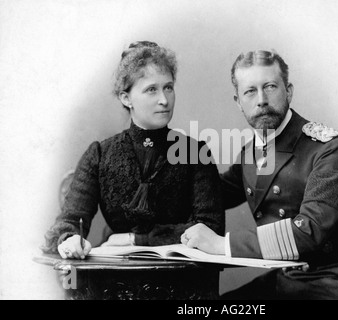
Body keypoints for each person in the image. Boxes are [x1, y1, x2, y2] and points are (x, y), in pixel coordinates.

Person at [181, 49, 338, 300]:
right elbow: (213, 194)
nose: (261, 99)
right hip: (288, 280)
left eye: (270, 86)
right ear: (238, 102)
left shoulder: (330, 149)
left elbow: (309, 232)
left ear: (288, 91)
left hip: (337, 283)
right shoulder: (251, 152)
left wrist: (220, 245)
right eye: (250, 91)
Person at [42, 41, 224, 262]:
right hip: (115, 274)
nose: (164, 100)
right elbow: (69, 221)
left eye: (168, 87)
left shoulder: (194, 152)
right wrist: (69, 239)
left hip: (182, 276)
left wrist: (136, 239)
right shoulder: (100, 154)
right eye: (151, 90)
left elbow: (211, 228)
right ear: (126, 98)